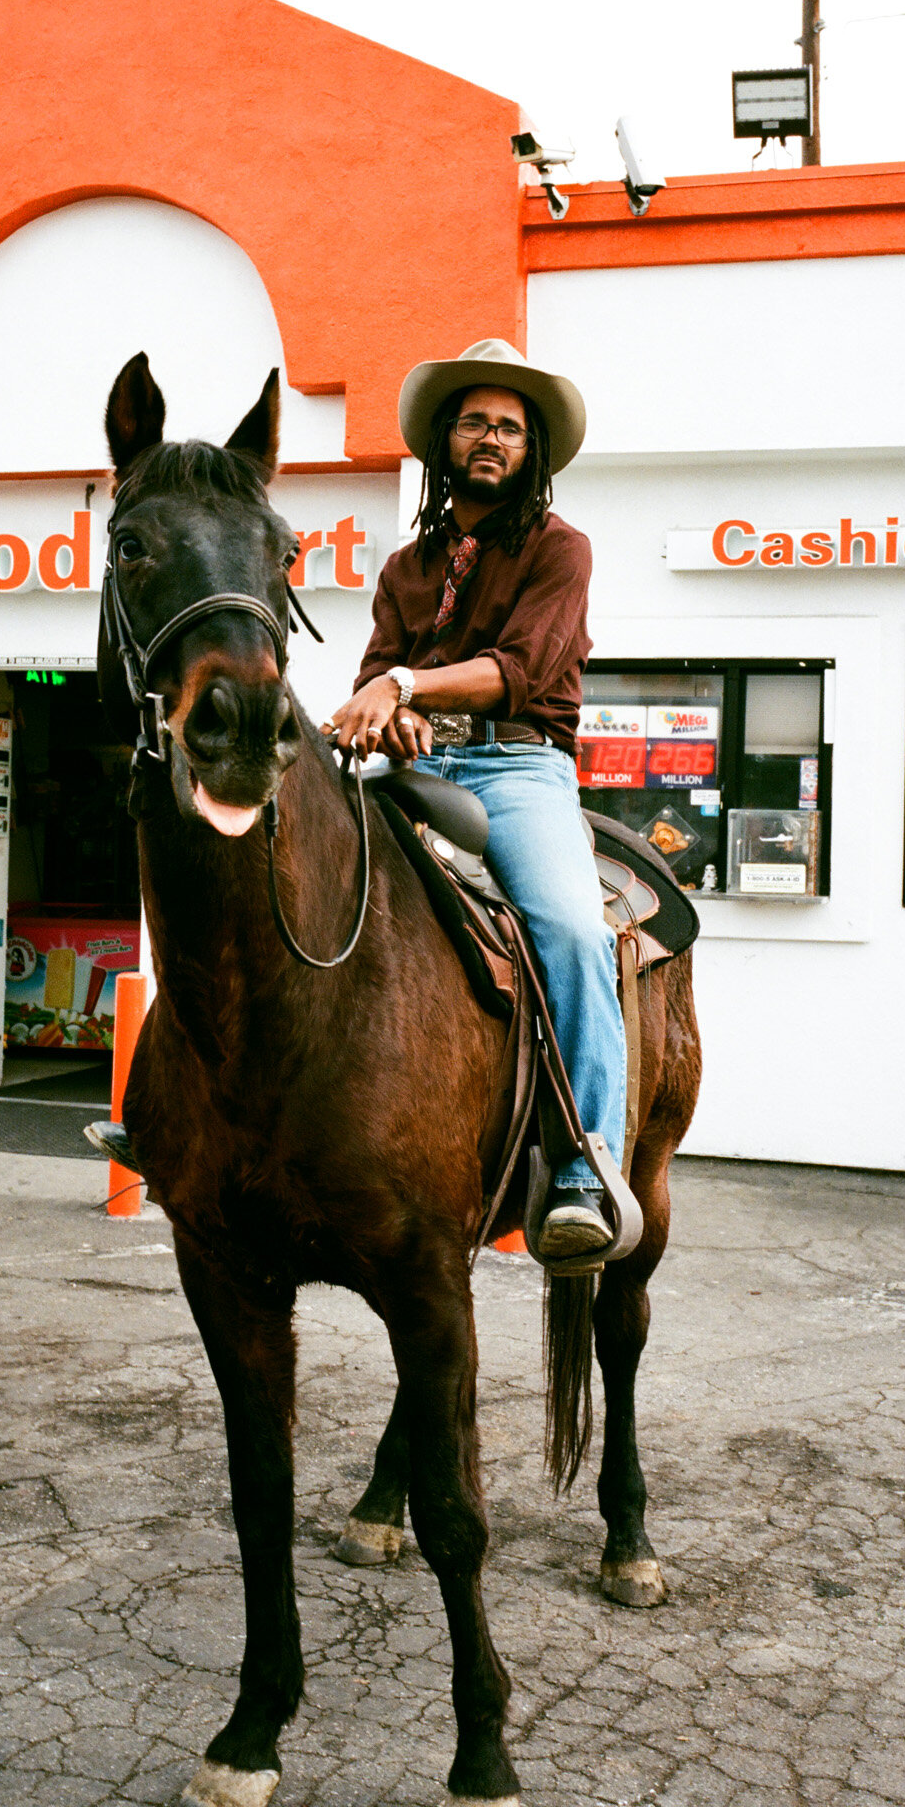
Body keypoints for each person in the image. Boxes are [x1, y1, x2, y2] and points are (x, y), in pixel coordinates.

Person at [326, 338, 630, 1265]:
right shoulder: (404, 568)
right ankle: (194, 1113)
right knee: (284, 864)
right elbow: (375, 680)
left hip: (517, 769)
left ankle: (585, 1169)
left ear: (531, 449)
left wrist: (408, 690)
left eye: (508, 425)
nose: (490, 437)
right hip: (416, 773)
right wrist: (389, 718)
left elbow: (520, 671)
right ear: (444, 442)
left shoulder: (560, 550)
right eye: (474, 422)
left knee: (574, 931)